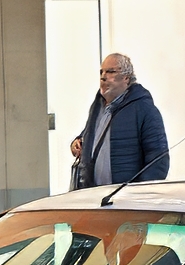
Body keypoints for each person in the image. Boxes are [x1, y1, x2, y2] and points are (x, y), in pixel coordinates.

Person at [70, 53, 169, 189]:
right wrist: (79, 141)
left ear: (126, 78)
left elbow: (158, 159)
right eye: (101, 72)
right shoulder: (97, 106)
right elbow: (94, 132)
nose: (103, 76)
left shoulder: (143, 109)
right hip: (93, 194)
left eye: (110, 71)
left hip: (124, 200)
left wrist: (139, 193)